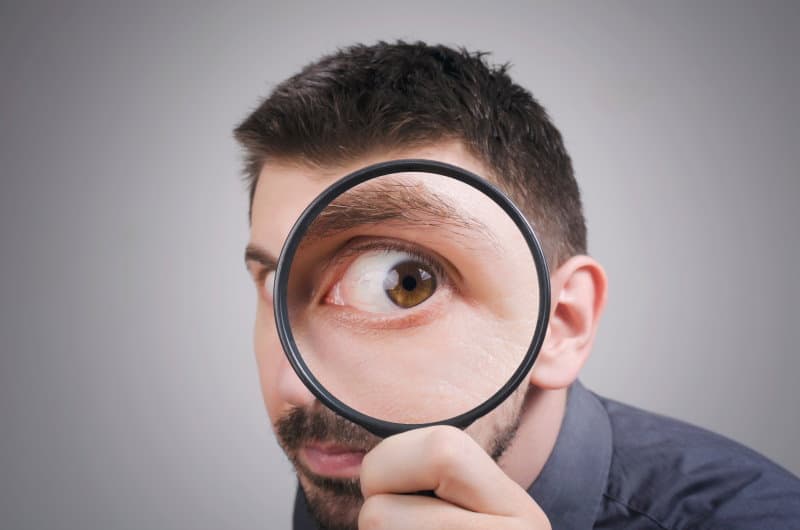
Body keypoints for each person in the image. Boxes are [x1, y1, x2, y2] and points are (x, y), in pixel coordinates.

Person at [235, 41, 800, 530]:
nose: (295, 386)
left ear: (562, 322)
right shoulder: (346, 475)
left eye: (404, 282)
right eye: (272, 283)